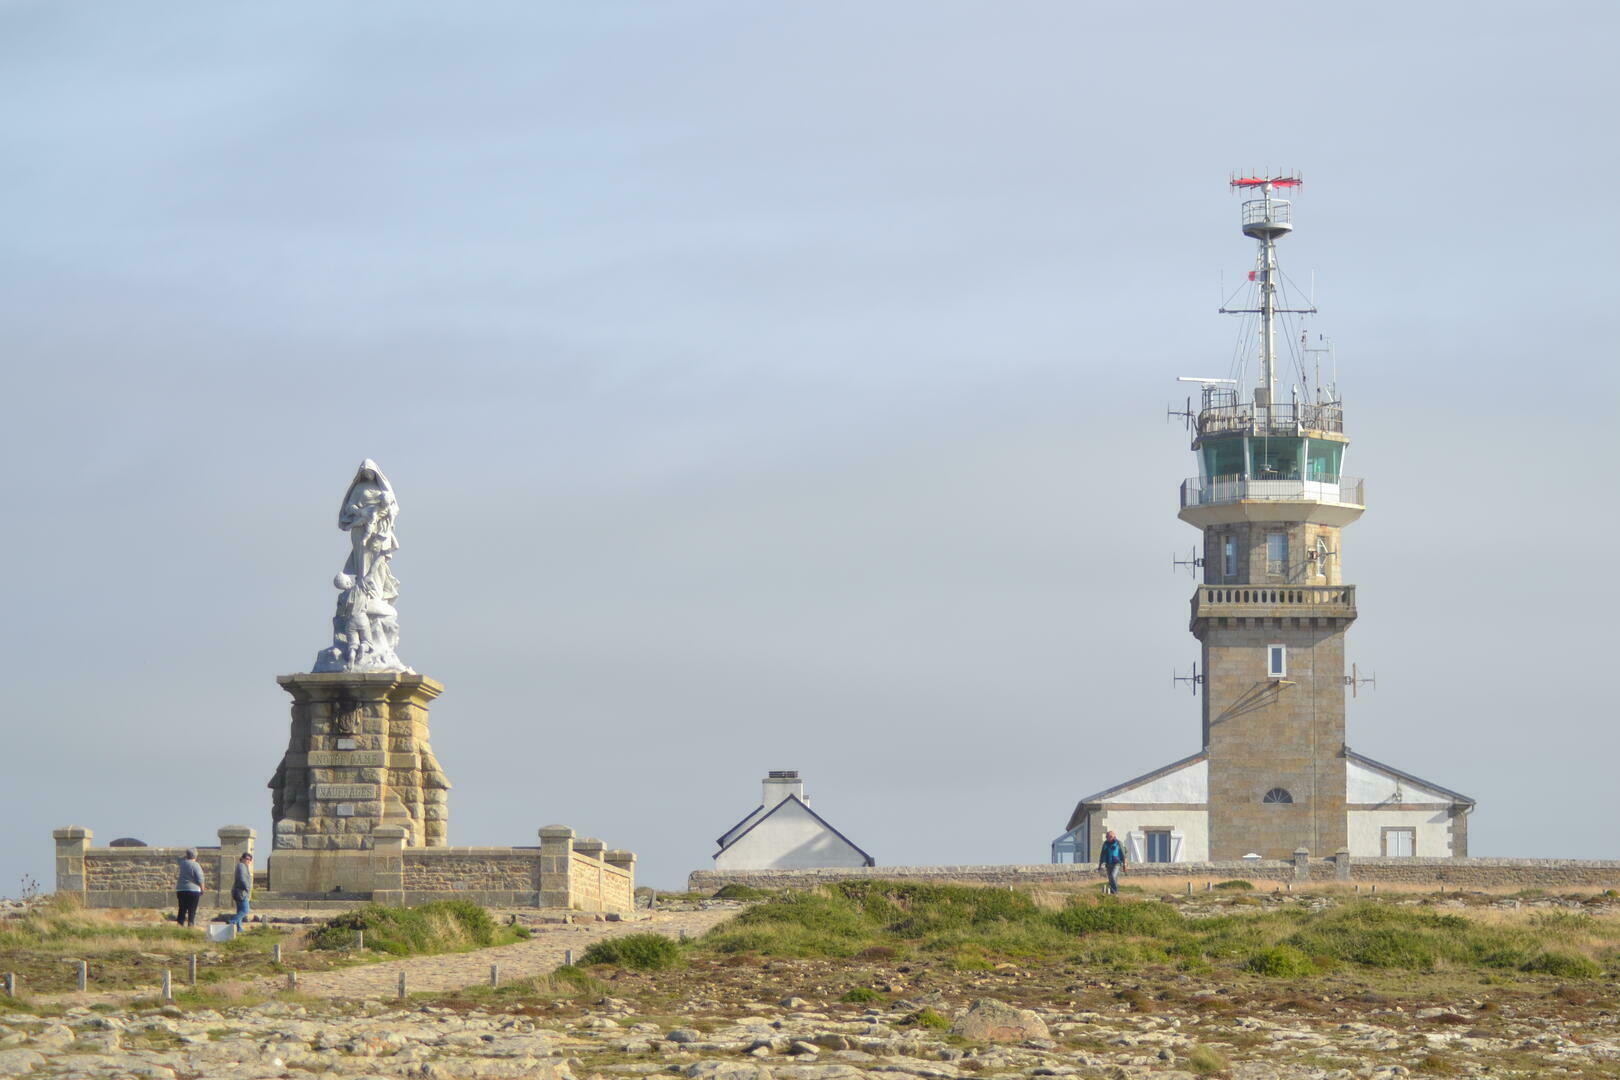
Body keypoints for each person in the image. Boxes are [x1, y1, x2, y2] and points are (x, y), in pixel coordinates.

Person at [175, 848, 204, 927]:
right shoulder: (196, 865)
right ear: (195, 855)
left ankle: (179, 925)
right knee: (192, 910)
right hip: (193, 890)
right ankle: (190, 925)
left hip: (181, 889)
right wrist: (202, 889)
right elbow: (200, 878)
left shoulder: (182, 864)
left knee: (182, 909)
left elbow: (180, 858)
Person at [228, 852, 254, 932]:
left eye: (250, 859)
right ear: (242, 858)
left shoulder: (243, 866)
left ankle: (239, 928)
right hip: (241, 892)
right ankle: (232, 921)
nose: (248, 861)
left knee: (239, 910)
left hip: (239, 891)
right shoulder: (241, 866)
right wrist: (247, 888)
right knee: (245, 910)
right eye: (246, 859)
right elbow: (242, 879)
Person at [1097, 829, 1127, 895]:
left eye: (1109, 837)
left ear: (1113, 836)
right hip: (1108, 863)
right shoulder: (1105, 844)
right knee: (1111, 879)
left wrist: (1125, 865)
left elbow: (1123, 854)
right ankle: (1112, 892)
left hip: (1117, 863)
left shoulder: (1119, 843)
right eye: (1107, 837)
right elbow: (1102, 854)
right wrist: (1100, 865)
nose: (1107, 838)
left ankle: (1115, 891)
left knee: (1113, 876)